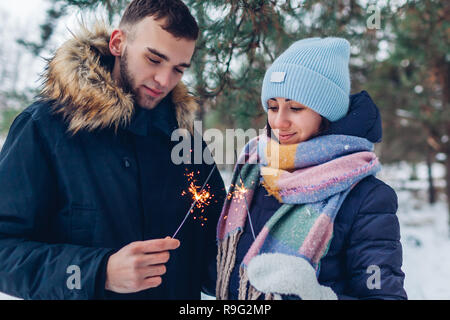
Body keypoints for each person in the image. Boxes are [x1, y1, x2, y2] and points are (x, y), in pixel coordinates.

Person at [0, 0, 225, 300]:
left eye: (178, 69)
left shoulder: (186, 142)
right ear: (118, 43)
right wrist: (99, 271)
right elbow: (4, 252)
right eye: (154, 59)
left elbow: (216, 247)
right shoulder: (44, 129)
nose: (164, 80)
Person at [216, 37, 407, 300]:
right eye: (273, 107)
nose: (279, 121)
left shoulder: (368, 197)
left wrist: (317, 296)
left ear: (325, 114)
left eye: (295, 108)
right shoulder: (253, 172)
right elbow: (220, 271)